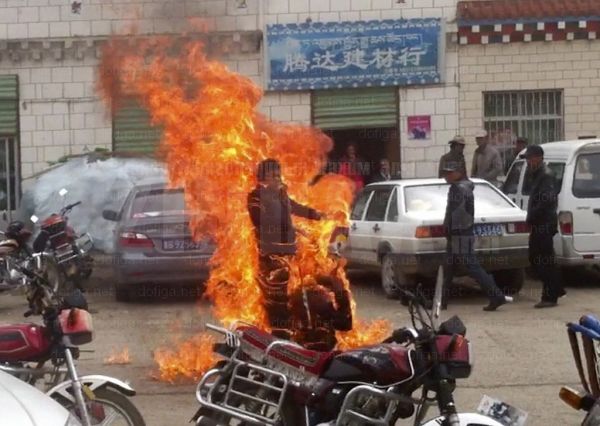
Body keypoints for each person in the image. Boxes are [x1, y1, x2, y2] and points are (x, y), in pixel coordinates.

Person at [247, 159, 324, 333]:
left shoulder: (282, 195)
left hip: (289, 252)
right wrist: (292, 228)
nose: (277, 178)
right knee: (275, 297)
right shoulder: (255, 196)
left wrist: (318, 215)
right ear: (262, 178)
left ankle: (292, 329)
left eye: (278, 175)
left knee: (293, 293)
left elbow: (296, 208)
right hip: (271, 256)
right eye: (273, 175)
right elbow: (259, 221)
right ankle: (276, 331)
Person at [441, 161, 512, 311]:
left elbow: (457, 214)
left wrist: (450, 230)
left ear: (459, 173)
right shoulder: (464, 186)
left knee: (472, 267)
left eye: (450, 173)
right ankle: (442, 301)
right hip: (460, 233)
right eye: (446, 173)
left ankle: (496, 296)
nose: (446, 176)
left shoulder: (458, 188)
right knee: (448, 268)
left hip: (459, 234)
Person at [520, 145, 566, 308]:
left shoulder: (546, 175)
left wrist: (533, 215)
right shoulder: (537, 174)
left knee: (543, 260)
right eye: (527, 159)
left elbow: (546, 200)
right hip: (539, 223)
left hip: (544, 223)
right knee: (538, 259)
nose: (528, 162)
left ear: (538, 158)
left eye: (530, 158)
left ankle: (550, 296)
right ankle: (556, 288)